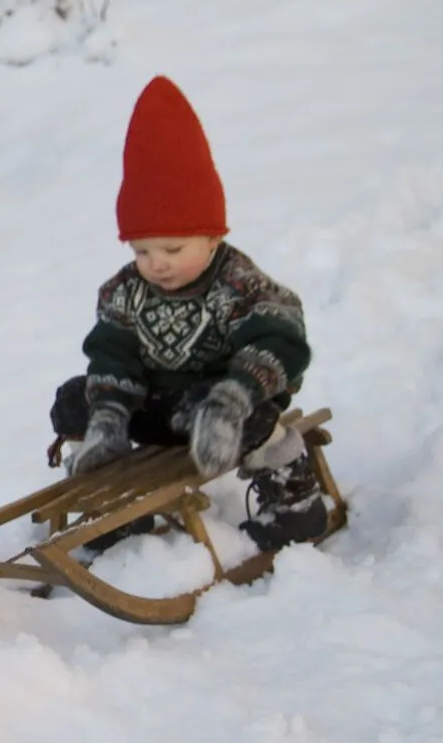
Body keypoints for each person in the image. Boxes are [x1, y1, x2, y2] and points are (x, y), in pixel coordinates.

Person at [50, 75, 331, 552]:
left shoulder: (239, 285)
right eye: (141, 250)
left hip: (220, 412)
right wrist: (110, 412)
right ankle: (113, 502)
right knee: (74, 398)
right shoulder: (125, 292)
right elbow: (112, 353)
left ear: (213, 236)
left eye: (173, 248)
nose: (156, 263)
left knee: (254, 416)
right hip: (160, 410)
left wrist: (231, 398)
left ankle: (293, 499)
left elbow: (281, 340)